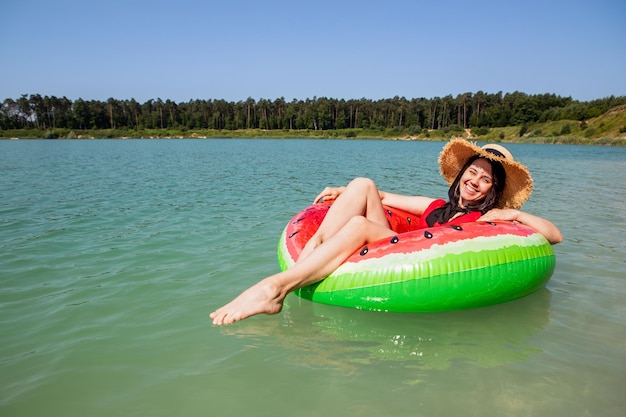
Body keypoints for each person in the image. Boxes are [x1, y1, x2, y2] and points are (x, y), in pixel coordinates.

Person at [210, 138, 562, 325]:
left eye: (486, 179)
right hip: (392, 245)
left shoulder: (490, 220)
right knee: (363, 183)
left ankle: (275, 288)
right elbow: (381, 195)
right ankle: (316, 246)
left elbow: (553, 234)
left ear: (492, 190)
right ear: (462, 174)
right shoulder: (437, 207)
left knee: (359, 225)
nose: (475, 181)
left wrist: (511, 213)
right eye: (474, 172)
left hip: (416, 258)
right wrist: (341, 192)